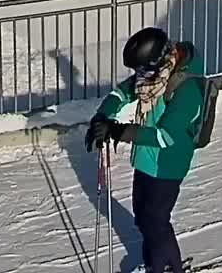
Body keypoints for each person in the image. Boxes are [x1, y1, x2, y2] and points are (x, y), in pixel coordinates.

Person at [85, 28, 208, 273]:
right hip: (145, 159)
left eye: (142, 70)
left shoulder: (187, 89)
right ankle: (156, 263)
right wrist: (101, 116)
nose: (138, 76)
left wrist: (119, 131)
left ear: (159, 61)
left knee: (156, 221)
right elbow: (121, 92)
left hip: (167, 164)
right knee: (143, 218)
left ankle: (165, 267)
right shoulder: (154, 76)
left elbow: (165, 136)